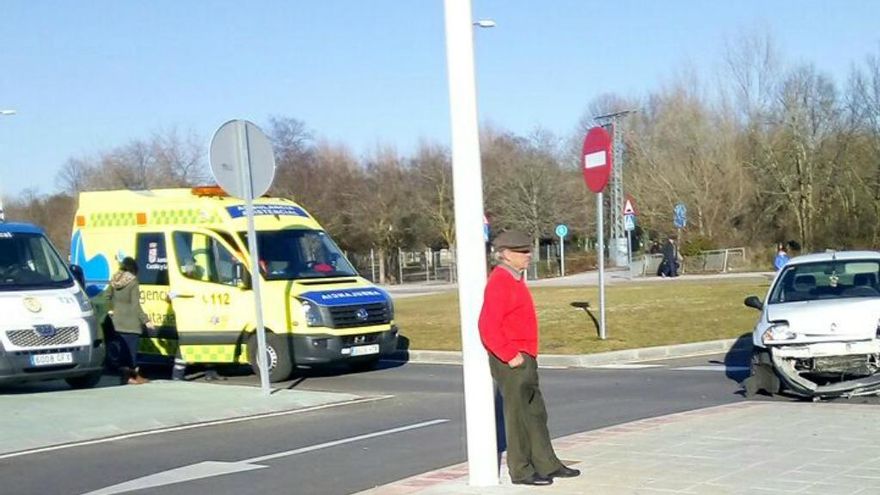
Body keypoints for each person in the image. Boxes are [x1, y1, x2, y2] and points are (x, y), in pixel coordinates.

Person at [478, 230, 581, 486]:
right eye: (522, 251)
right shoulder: (500, 281)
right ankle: (521, 471)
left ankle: (547, 463)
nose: (528, 255)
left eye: (528, 250)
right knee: (518, 415)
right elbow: (487, 326)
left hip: (525, 356)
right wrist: (510, 355)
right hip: (513, 359)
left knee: (535, 412)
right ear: (505, 255)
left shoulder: (514, 278)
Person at [109, 257, 154, 385]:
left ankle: (124, 377)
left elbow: (107, 297)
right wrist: (146, 321)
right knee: (131, 352)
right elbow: (135, 305)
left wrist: (111, 310)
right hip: (131, 323)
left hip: (117, 322)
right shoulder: (133, 282)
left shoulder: (114, 279)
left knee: (123, 351)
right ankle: (133, 377)